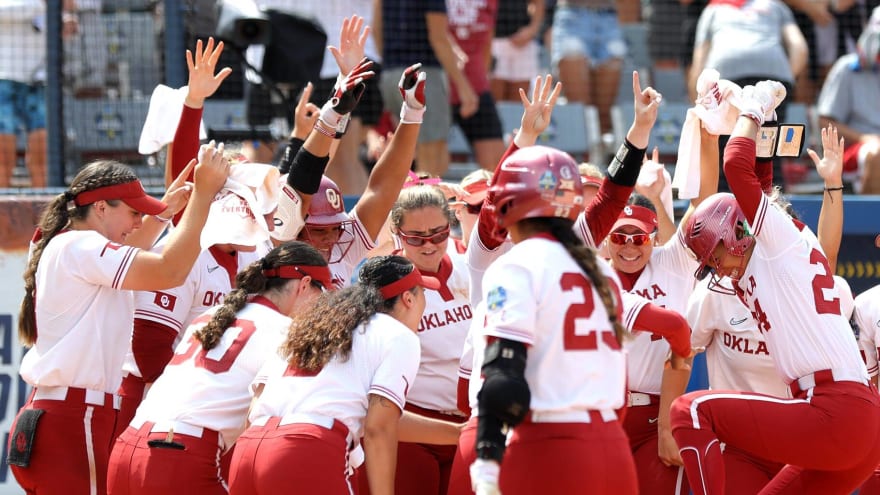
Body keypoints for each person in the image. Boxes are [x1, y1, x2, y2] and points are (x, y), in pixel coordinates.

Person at [671, 82, 880, 495]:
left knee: (689, 412)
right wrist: (760, 125)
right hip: (856, 423)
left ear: (738, 234)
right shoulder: (771, 251)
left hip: (832, 408)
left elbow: (737, 168)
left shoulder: (775, 247)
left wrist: (752, 109)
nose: (716, 268)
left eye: (715, 254)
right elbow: (761, 186)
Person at [8, 145, 229, 494]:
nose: (138, 223)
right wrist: (202, 197)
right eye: (133, 212)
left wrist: (163, 214)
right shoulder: (80, 246)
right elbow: (169, 270)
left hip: (64, 414)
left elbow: (136, 246)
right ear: (99, 208)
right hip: (75, 417)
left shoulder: (72, 245)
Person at [468, 145, 648, 495]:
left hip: (550, 443)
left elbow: (504, 379)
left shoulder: (517, 263)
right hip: (613, 445)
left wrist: (487, 462)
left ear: (509, 202)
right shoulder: (600, 269)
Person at [107, 241, 332, 494]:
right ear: (304, 285)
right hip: (181, 453)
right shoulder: (286, 331)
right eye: (321, 294)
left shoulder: (213, 313)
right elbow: (260, 419)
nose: (320, 307)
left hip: (128, 447)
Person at [227, 255, 436, 495]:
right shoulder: (398, 335)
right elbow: (379, 427)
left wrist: (459, 433)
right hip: (308, 450)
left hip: (250, 448)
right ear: (409, 299)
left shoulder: (313, 326)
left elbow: (257, 404)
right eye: (423, 293)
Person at [689, 0, 808, 189]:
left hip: (726, 76)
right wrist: (782, 86)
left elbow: (699, 59)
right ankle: (775, 211)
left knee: (725, 152)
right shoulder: (776, 5)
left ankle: (723, 212)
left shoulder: (713, 9)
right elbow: (799, 48)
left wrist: (699, 103)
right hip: (774, 73)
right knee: (769, 152)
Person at [379, 0, 478, 176]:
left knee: (426, 154)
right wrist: (464, 87)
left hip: (390, 75)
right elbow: (437, 38)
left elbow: (376, 29)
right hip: (423, 76)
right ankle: (421, 201)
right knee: (430, 156)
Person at [816, 22, 880, 193]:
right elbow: (824, 121)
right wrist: (864, 138)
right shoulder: (846, 68)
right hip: (855, 149)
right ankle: (869, 219)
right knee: (877, 153)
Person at [447, 0, 507, 171]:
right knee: (432, 160)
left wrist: (481, 78)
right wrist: (461, 84)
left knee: (497, 164)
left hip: (477, 87)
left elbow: (487, 41)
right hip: (438, 89)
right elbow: (436, 38)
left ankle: (487, 198)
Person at [550, 0, 627, 132]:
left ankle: (603, 151)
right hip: (572, 16)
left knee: (604, 114)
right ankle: (579, 152)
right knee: (580, 113)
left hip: (608, 17)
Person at [0, 0, 52, 187]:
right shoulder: (44, 4)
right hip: (4, 82)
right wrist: (44, 4)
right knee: (3, 159)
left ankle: (45, 213)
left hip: (39, 81)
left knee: (43, 158)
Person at [490, 0, 544, 103]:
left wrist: (531, 30)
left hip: (524, 43)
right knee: (495, 102)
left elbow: (538, 2)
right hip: (492, 42)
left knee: (518, 104)